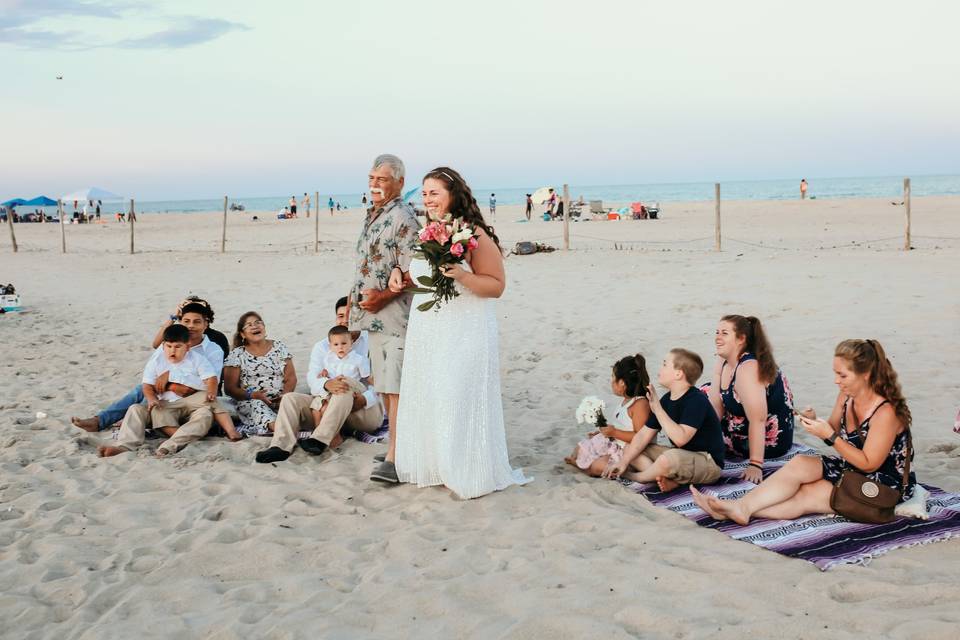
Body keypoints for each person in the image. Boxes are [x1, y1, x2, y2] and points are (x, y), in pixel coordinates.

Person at [387, 166, 531, 498]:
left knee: (457, 395)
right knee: (434, 395)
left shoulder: (474, 234)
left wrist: (461, 275)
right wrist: (400, 274)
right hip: (431, 330)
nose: (428, 199)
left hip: (466, 329)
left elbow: (496, 286)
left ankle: (466, 468)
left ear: (454, 194)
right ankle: (439, 466)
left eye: (434, 192)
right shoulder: (429, 233)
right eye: (424, 194)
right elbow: (424, 275)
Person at [692, 339, 915, 525]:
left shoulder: (886, 413)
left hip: (884, 484)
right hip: (854, 467)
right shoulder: (847, 396)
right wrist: (814, 421)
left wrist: (830, 436)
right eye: (835, 373)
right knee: (800, 463)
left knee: (809, 494)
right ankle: (741, 507)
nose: (837, 381)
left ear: (865, 374)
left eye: (843, 375)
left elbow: (869, 463)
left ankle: (736, 511)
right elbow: (834, 428)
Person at [348, 154, 420, 483]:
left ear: (400, 183)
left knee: (397, 389)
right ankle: (396, 446)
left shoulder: (404, 216)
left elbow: (416, 270)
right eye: (372, 178)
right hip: (373, 319)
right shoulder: (376, 213)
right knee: (386, 388)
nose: (375, 184)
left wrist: (383, 296)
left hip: (395, 317)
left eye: (383, 179)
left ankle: (396, 458)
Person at [71, 297, 229, 432]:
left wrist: (169, 377)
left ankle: (124, 420)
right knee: (142, 390)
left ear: (206, 323)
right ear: (180, 320)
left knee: (149, 393)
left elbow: (206, 383)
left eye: (196, 322)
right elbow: (153, 373)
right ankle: (100, 420)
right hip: (168, 391)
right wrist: (170, 384)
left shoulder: (214, 346)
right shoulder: (170, 341)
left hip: (197, 395)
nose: (191, 326)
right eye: (186, 321)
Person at [254, 301, 382, 463]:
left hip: (363, 412)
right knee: (290, 399)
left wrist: (365, 399)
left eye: (350, 315)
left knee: (344, 382)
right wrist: (325, 384)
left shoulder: (373, 342)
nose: (345, 320)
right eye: (341, 316)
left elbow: (382, 382)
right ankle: (280, 446)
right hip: (328, 407)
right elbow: (312, 378)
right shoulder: (323, 346)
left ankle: (319, 439)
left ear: (360, 316)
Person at [603, 349, 725, 492]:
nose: (660, 368)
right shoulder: (667, 400)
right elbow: (643, 435)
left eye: (665, 364)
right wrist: (623, 462)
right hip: (683, 458)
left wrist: (658, 409)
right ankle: (665, 479)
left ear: (678, 374)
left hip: (708, 462)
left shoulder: (696, 400)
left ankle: (639, 477)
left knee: (669, 459)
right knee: (631, 448)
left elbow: (681, 438)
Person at [98, 324, 218, 458]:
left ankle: (169, 446)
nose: (172, 351)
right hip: (162, 406)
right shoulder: (156, 361)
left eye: (178, 347)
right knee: (135, 409)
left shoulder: (198, 360)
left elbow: (211, 379)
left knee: (205, 415)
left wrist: (211, 392)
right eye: (168, 346)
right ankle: (125, 446)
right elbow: (147, 385)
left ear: (187, 347)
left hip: (190, 406)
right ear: (163, 345)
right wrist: (151, 399)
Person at [707, 315, 795, 483]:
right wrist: (717, 371)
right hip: (744, 423)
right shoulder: (729, 362)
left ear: (741, 339)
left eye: (724, 333)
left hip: (767, 442)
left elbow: (759, 420)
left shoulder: (748, 368)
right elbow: (715, 412)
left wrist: (755, 464)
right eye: (716, 332)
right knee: (702, 393)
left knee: (695, 413)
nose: (717, 337)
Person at [565, 354, 651, 477]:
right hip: (615, 443)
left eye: (613, 378)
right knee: (580, 448)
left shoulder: (640, 404)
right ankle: (581, 462)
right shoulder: (626, 401)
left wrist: (614, 433)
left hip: (630, 452)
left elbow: (641, 437)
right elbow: (621, 426)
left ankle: (584, 466)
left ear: (622, 383)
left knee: (597, 466)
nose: (611, 382)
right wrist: (604, 433)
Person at [222, 312, 297, 437]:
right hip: (252, 401)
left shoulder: (279, 347)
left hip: (280, 399)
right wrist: (252, 395)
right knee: (257, 405)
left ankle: (287, 426)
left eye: (258, 322)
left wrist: (284, 395)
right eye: (249, 325)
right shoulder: (237, 354)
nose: (255, 326)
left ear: (264, 327)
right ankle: (281, 429)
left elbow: (291, 378)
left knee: (294, 403)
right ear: (242, 334)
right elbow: (229, 389)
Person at [310, 325, 370, 432]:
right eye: (336, 345)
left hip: (352, 388)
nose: (340, 347)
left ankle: (332, 436)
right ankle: (317, 432)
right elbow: (326, 374)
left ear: (351, 342)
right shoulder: (329, 358)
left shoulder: (358, 360)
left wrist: (367, 395)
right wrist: (325, 372)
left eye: (344, 343)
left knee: (327, 408)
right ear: (331, 346)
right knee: (317, 409)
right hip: (334, 389)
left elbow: (368, 378)